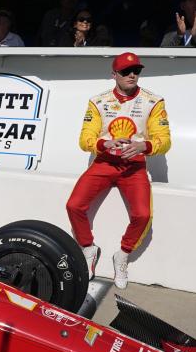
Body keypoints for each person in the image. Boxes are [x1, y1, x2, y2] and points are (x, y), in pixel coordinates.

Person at [65, 53, 171, 289]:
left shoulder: (153, 101)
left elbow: (164, 140)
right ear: (114, 75)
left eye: (137, 70)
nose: (132, 75)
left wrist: (144, 146)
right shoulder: (98, 101)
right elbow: (85, 140)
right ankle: (88, 249)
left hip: (134, 166)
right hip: (104, 162)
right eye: (125, 71)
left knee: (143, 215)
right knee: (74, 205)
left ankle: (122, 256)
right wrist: (104, 144)